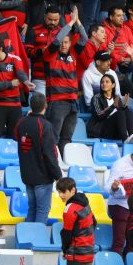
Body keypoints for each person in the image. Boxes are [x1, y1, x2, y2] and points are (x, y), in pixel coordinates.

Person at [14, 93, 63, 224]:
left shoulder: (21, 122)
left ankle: (28, 238)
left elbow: (15, 136)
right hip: (42, 176)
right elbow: (50, 153)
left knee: (32, 208)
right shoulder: (45, 125)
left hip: (27, 175)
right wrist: (58, 176)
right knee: (42, 209)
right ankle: (37, 239)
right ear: (45, 105)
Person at [46, 8, 89, 155]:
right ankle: (51, 162)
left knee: (67, 138)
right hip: (57, 102)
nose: (63, 45)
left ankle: (63, 162)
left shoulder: (74, 53)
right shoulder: (50, 54)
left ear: (70, 44)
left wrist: (77, 22)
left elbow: (84, 39)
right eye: (62, 43)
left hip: (73, 102)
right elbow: (57, 39)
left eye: (66, 42)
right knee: (53, 137)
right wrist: (70, 22)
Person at [0, 35, 35, 141]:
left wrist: (26, 81)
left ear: (0, 49)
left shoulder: (15, 59)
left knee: (14, 138)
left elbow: (20, 73)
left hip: (15, 105)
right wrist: (10, 84)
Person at [105, 146, 133, 256]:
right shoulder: (119, 165)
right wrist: (114, 187)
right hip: (119, 206)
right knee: (119, 241)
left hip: (131, 206)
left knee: (132, 241)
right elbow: (107, 188)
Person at [87, 74, 133, 142]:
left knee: (128, 112)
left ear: (113, 85)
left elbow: (123, 114)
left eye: (107, 82)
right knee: (119, 113)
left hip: (115, 130)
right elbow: (99, 115)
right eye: (102, 82)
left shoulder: (116, 98)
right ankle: (125, 139)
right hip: (101, 130)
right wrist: (112, 106)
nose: (104, 84)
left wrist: (124, 107)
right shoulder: (96, 98)